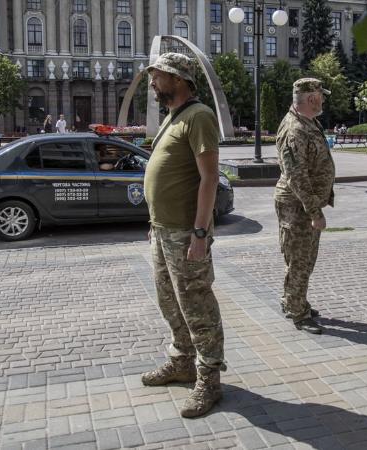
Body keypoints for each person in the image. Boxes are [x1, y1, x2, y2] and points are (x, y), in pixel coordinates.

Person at [140, 53, 225, 418]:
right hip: (162, 231)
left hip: (186, 234)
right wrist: (154, 223)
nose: (152, 82)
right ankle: (182, 362)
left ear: (177, 78)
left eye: (157, 76)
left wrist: (201, 233)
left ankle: (209, 378)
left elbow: (209, 179)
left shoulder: (199, 116)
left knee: (197, 305)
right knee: (169, 302)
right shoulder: (173, 118)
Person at [274, 78, 336, 335]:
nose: (323, 100)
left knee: (304, 259)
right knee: (299, 260)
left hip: (304, 204)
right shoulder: (295, 129)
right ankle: (297, 311)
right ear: (311, 98)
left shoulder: (308, 123)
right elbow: (295, 175)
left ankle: (294, 299)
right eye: (321, 96)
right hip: (297, 206)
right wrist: (314, 211)